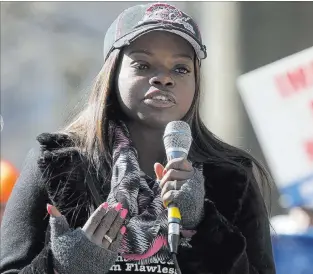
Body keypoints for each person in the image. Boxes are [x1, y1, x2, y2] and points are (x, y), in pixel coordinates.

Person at [0, 3, 276, 274]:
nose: (163, 79)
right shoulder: (57, 162)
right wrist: (61, 267)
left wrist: (201, 225)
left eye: (180, 69)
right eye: (143, 65)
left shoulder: (231, 174)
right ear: (112, 72)